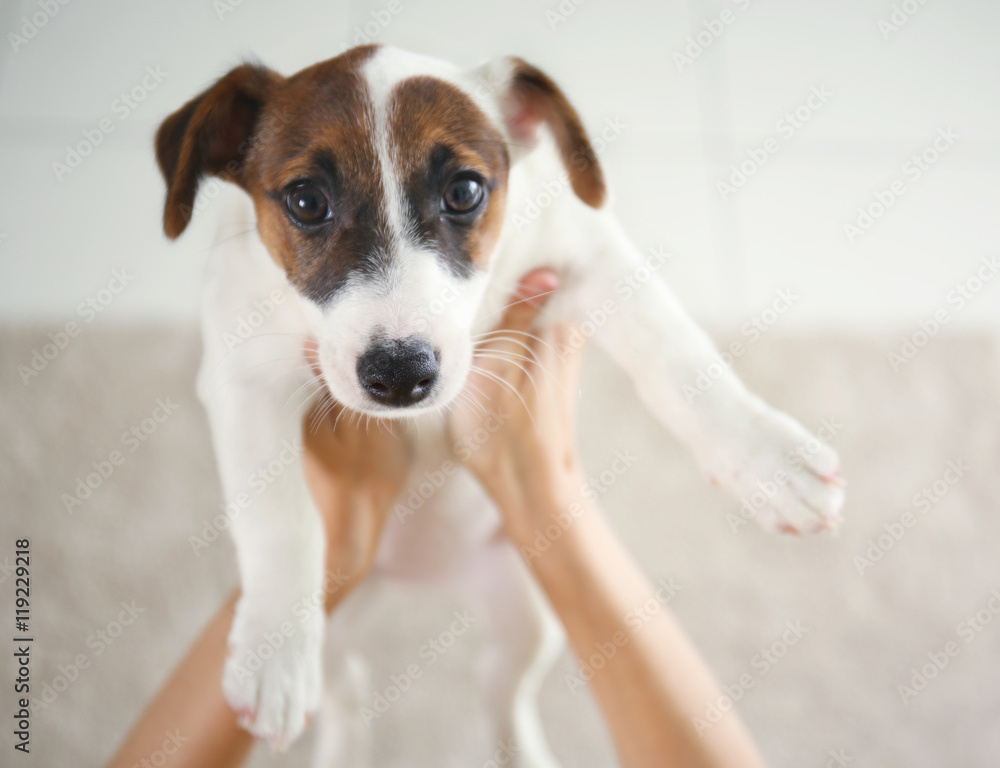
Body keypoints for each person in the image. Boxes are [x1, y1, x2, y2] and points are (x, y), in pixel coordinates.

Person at [107, 269, 768, 768]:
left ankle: (507, 701)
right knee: (313, 651)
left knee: (531, 641)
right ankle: (343, 710)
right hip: (425, 529)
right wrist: (551, 494)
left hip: (482, 536)